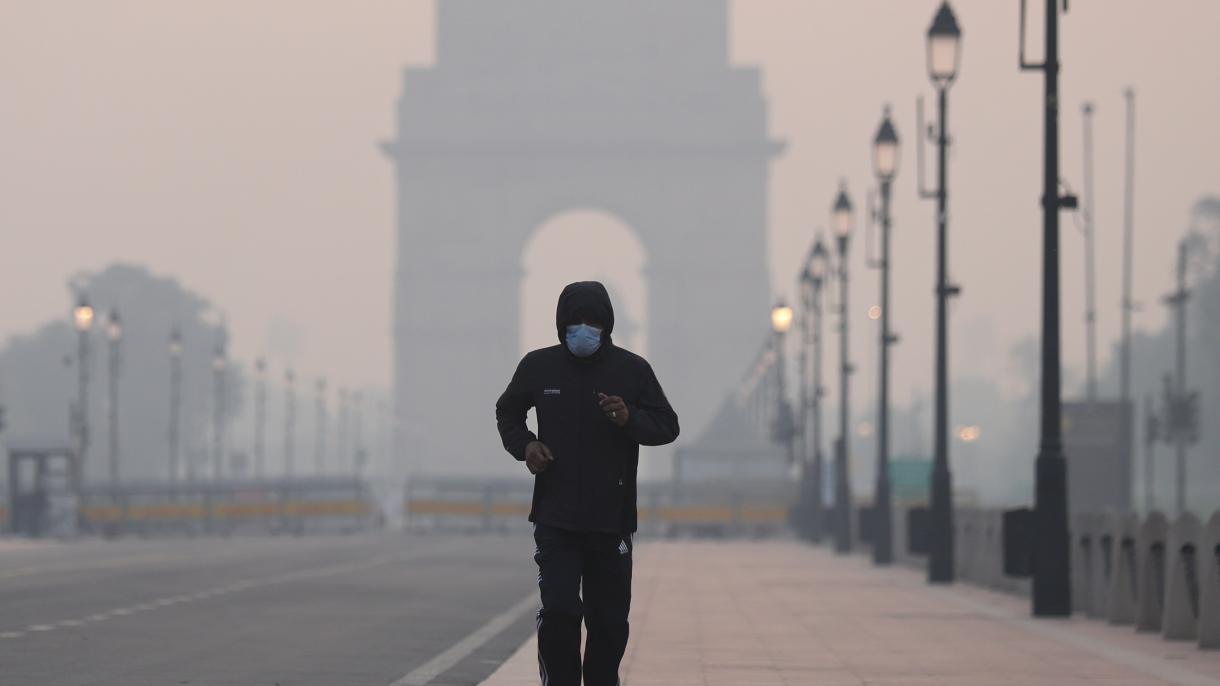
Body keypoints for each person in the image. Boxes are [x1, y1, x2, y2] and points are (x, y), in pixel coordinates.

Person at [496, 281, 679, 686]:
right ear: (561, 323)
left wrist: (629, 416)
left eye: (593, 321)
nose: (584, 329)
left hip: (610, 521)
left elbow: (667, 426)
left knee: (609, 621)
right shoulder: (538, 366)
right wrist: (525, 445)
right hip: (555, 518)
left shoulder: (632, 371)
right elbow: (507, 412)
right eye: (576, 321)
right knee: (560, 609)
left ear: (607, 324)